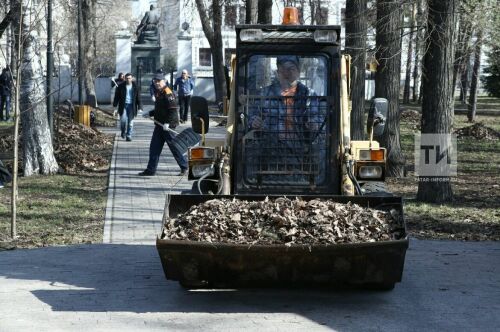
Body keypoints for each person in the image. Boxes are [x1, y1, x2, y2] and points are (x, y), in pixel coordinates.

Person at [247, 55, 326, 184]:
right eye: (283, 69)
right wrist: (254, 121)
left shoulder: (308, 95)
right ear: (277, 72)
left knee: (298, 181)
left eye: (291, 69)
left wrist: (314, 123)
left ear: (298, 72)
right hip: (270, 147)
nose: (287, 73)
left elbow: (317, 117)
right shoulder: (264, 94)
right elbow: (252, 116)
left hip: (299, 147)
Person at [138, 73, 187, 176]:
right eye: (155, 82)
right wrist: (150, 113)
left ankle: (184, 167)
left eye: (158, 81)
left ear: (163, 81)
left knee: (174, 147)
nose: (156, 83)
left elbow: (173, 110)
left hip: (168, 126)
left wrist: (168, 123)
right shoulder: (159, 92)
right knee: (154, 147)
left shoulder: (168, 92)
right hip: (159, 125)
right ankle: (151, 170)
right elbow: (160, 109)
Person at [113, 73, 142, 141]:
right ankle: (123, 131)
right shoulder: (121, 86)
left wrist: (140, 107)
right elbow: (117, 96)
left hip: (132, 106)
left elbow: (139, 98)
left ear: (132, 78)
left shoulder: (136, 87)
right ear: (125, 79)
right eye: (127, 78)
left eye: (129, 78)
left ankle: (129, 135)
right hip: (123, 106)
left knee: (130, 122)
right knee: (123, 121)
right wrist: (115, 105)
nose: (128, 79)